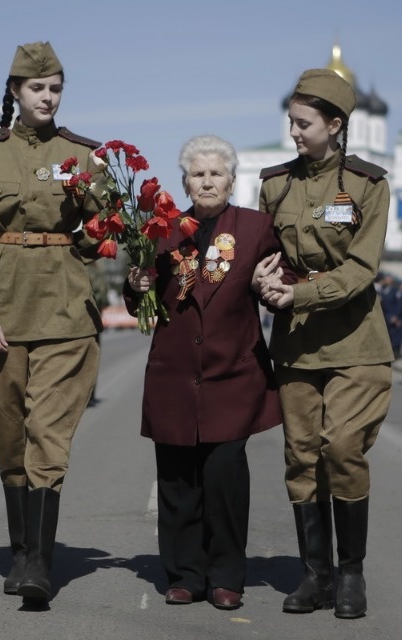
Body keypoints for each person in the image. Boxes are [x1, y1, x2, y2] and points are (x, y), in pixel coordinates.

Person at [0, 41, 104, 603]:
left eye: (55, 88)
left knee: (48, 436)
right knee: (12, 437)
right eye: (37, 88)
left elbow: (104, 233)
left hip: (65, 313)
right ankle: (20, 553)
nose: (47, 97)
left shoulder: (84, 156)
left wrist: (97, 231)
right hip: (4, 317)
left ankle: (40, 561)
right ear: (15, 91)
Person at [126, 135, 290, 610]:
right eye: (198, 174)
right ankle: (184, 575)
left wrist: (268, 284)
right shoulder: (162, 231)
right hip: (174, 375)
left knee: (223, 479)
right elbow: (140, 298)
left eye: (216, 173)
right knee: (177, 481)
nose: (207, 181)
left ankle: (226, 576)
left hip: (232, 375)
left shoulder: (256, 228)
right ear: (185, 183)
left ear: (232, 180)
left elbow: (283, 280)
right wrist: (136, 285)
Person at [258, 68, 393, 619]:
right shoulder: (275, 185)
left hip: (355, 339)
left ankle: (351, 573)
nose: (293, 131)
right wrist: (263, 281)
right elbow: (264, 254)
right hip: (296, 345)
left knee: (342, 448)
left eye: (304, 123)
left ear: (335, 125)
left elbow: (362, 267)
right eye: (291, 121)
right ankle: (316, 574)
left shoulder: (368, 184)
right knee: (301, 456)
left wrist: (302, 294)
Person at [378, 272, 402, 358]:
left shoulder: (395, 291)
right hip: (385, 317)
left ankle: (395, 353)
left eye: (388, 278)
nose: (386, 280)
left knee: (394, 336)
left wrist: (396, 316)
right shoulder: (382, 290)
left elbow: (399, 305)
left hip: (393, 317)